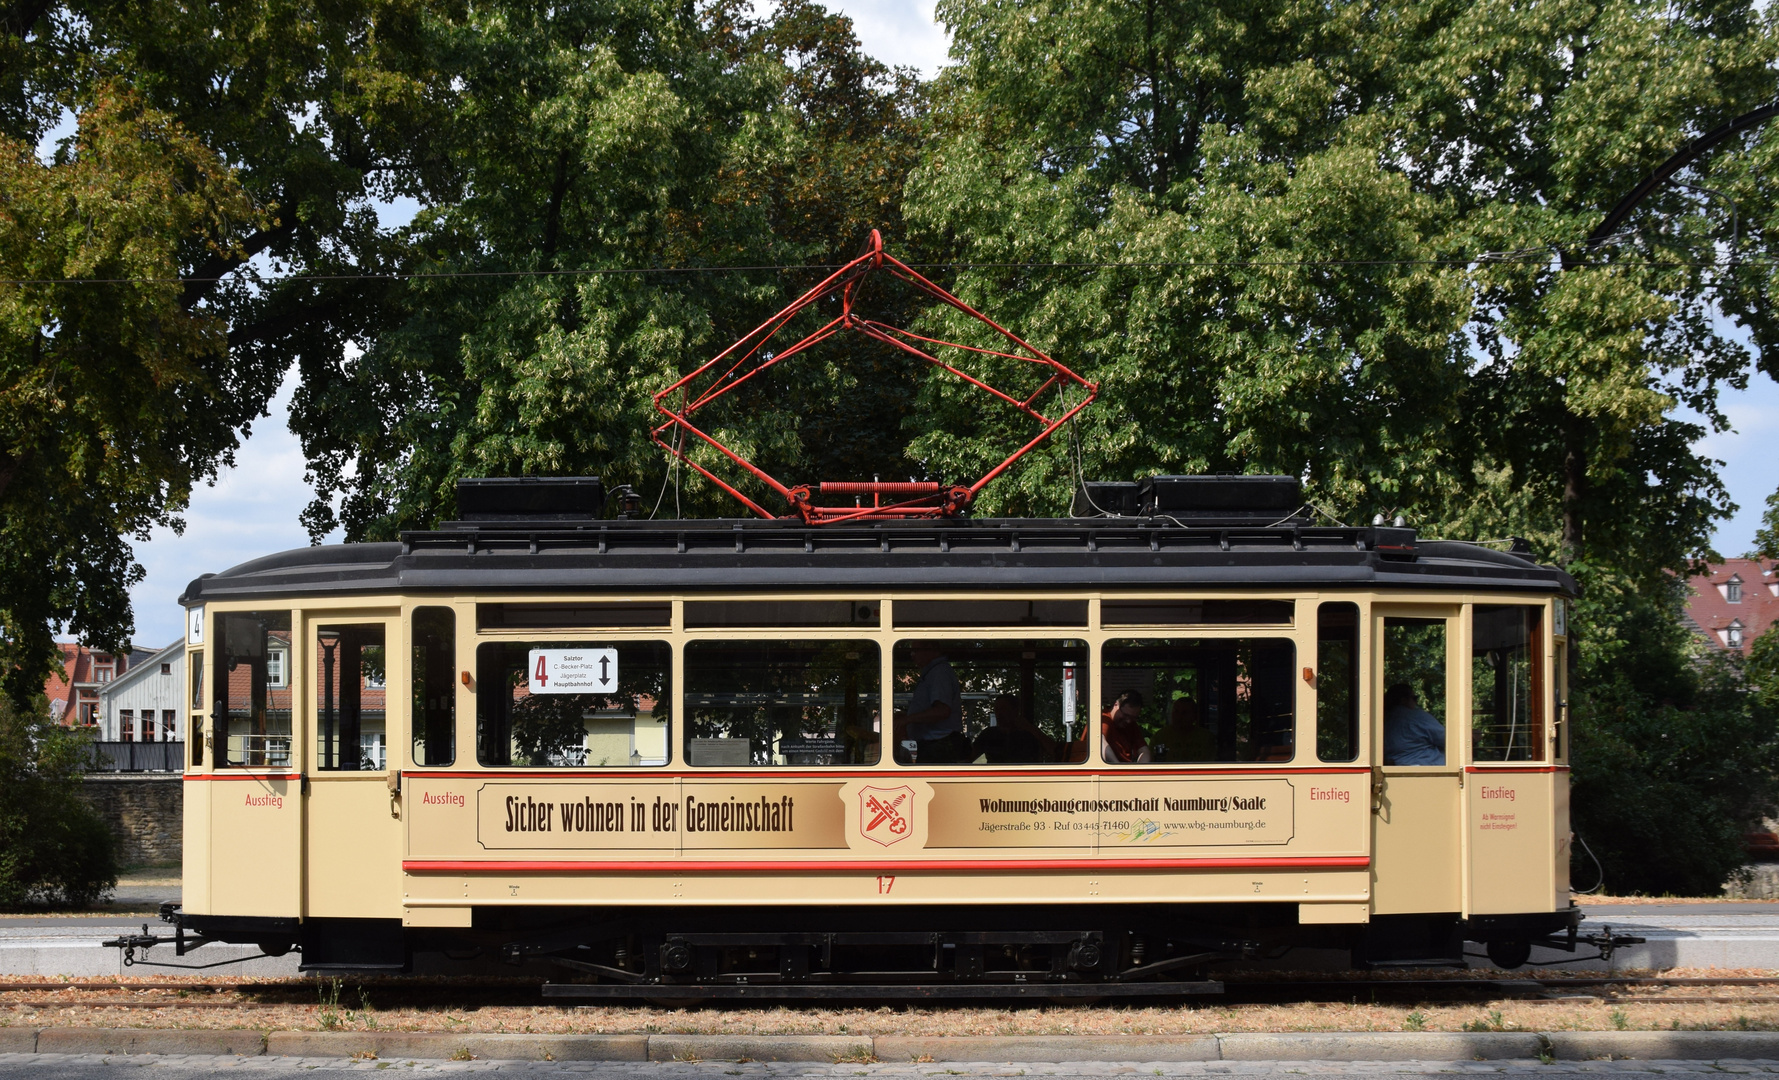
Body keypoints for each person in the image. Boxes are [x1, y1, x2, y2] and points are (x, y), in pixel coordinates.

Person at [895, 643, 964, 762]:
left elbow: (942, 711)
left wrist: (907, 720)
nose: (912, 656)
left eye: (915, 651)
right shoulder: (933, 673)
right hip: (935, 745)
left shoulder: (939, 672)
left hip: (939, 746)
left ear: (932, 650)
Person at [972, 694, 1056, 764]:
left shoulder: (1029, 735)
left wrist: (1031, 729)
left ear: (1015, 710)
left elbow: (1055, 751)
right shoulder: (989, 735)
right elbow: (969, 758)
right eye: (996, 709)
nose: (999, 713)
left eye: (1003, 708)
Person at [1383, 683, 1446, 765]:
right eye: (1414, 698)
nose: (1416, 703)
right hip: (1427, 766)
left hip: (1397, 767)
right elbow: (1447, 740)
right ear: (1403, 700)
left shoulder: (1383, 719)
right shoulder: (1416, 716)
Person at [1153, 698, 1216, 762]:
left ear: (1194, 715)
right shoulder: (1161, 737)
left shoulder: (1206, 737)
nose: (1179, 716)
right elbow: (1155, 763)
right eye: (1176, 711)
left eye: (1185, 713)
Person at [1102, 690, 1152, 763]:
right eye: (1125, 715)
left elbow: (1144, 750)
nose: (1128, 721)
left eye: (1133, 717)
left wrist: (1140, 771)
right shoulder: (1104, 719)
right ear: (1116, 705)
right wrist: (1117, 767)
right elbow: (1100, 742)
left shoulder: (1131, 724)